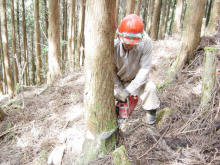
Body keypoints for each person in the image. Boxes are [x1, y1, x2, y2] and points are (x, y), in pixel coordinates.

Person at [114, 14, 160, 125]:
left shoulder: (146, 43)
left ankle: (151, 120)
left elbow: (145, 70)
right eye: (126, 43)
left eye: (132, 44)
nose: (128, 46)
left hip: (136, 79)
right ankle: (115, 117)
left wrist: (128, 90)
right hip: (117, 80)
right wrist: (119, 88)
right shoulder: (112, 44)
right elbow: (109, 71)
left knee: (150, 88)